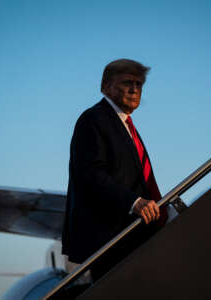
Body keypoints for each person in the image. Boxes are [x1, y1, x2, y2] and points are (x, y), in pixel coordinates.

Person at [62, 58, 168, 282]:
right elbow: (91, 174)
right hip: (111, 236)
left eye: (140, 84)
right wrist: (134, 202)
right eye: (128, 82)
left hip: (135, 233)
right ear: (105, 87)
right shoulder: (93, 119)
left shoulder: (126, 126)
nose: (134, 89)